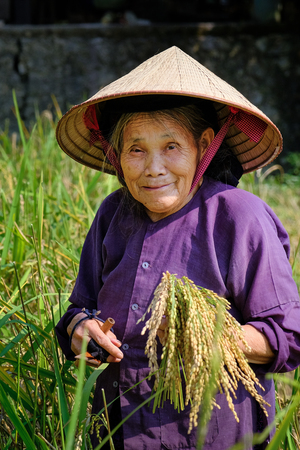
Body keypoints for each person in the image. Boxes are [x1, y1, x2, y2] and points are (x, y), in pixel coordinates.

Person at [55, 46, 300, 450]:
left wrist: (209, 336)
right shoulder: (113, 215)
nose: (153, 168)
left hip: (213, 435)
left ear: (204, 145)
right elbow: (78, 309)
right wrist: (81, 330)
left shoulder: (241, 218)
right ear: (117, 155)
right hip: (118, 430)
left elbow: (288, 336)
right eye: (136, 149)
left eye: (171, 146)